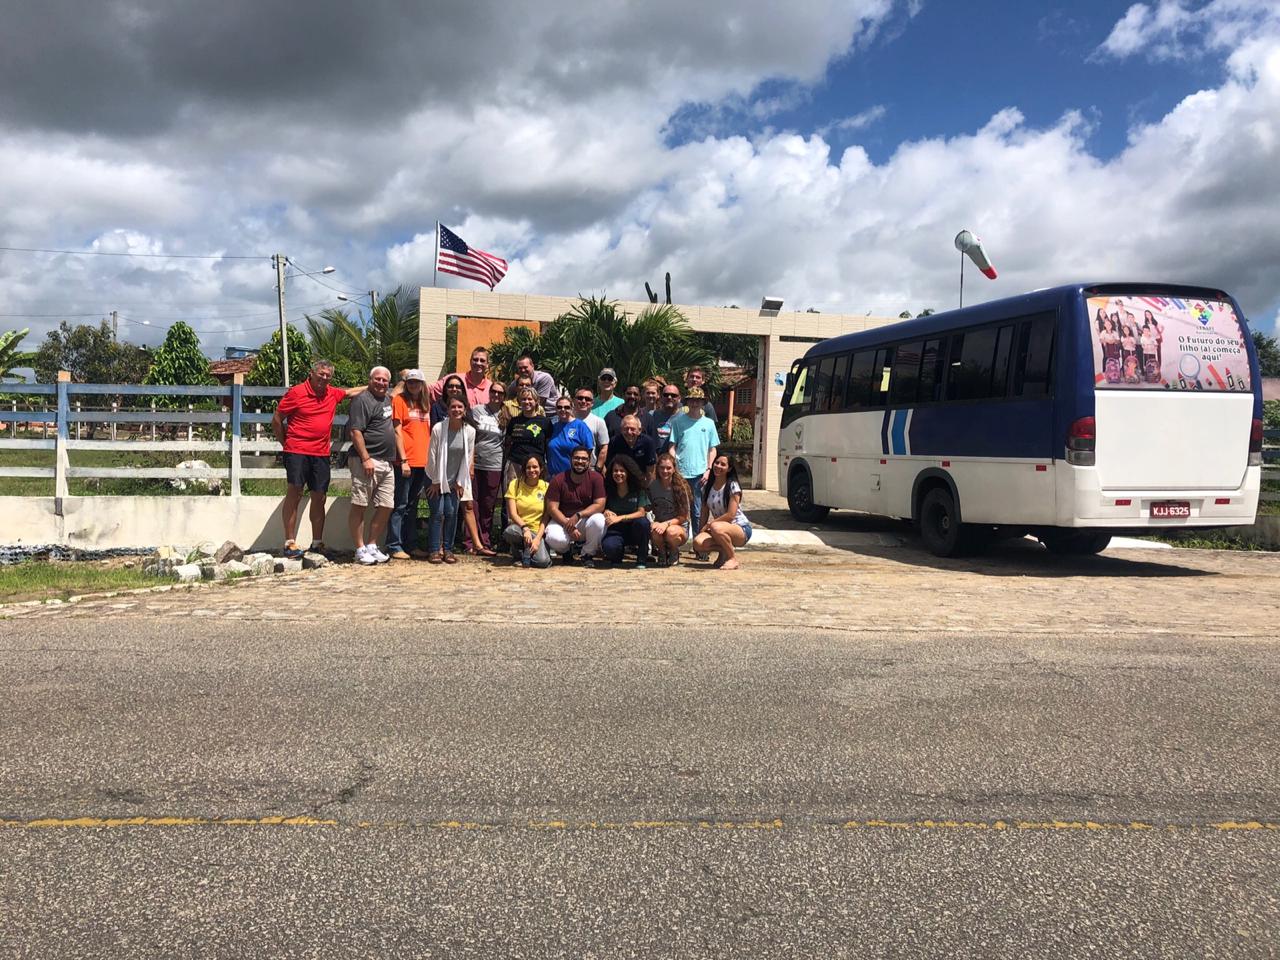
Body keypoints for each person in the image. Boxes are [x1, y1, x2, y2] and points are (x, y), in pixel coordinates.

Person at [271, 359, 366, 558]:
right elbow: (277, 419)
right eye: (321, 374)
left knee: (320, 496)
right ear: (312, 373)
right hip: (297, 450)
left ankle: (317, 543)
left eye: (328, 375)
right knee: (294, 493)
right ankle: (289, 542)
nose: (324, 378)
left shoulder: (331, 392)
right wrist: (286, 445)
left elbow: (349, 392)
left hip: (321, 453)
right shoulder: (296, 392)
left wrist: (374, 385)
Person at [345, 366, 399, 565]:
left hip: (386, 462)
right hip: (366, 460)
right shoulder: (361, 400)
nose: (381, 383)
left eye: (385, 380)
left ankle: (372, 545)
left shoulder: (387, 399)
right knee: (360, 504)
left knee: (386, 505)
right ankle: (359, 548)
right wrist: (366, 458)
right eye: (377, 379)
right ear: (369, 380)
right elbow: (355, 431)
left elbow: (401, 385)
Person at [425, 395, 476, 564]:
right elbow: (432, 456)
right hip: (435, 477)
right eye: (453, 407)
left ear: (465, 409)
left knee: (452, 513)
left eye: (460, 407)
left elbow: (467, 458)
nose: (456, 410)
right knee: (438, 513)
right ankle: (434, 550)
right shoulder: (439, 428)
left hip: (455, 478)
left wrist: (460, 481)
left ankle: (448, 550)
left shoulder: (469, 431)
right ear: (448, 410)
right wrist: (435, 481)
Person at [387, 369, 431, 560]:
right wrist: (403, 460)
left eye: (417, 382)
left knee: (412, 505)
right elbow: (397, 431)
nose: (413, 385)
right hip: (406, 461)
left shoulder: (425, 403)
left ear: (422, 385)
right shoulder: (399, 401)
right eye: (410, 382)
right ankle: (394, 545)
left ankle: (411, 544)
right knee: (400, 504)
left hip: (422, 462)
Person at [669, 387, 719, 543]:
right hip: (681, 473)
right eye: (692, 400)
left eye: (698, 400)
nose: (695, 403)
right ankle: (678, 540)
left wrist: (708, 470)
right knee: (681, 509)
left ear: (703, 403)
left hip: (700, 474)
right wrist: (675, 467)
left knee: (698, 510)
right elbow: (672, 446)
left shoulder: (709, 424)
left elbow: (712, 449)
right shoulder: (678, 421)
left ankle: (698, 543)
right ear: (687, 402)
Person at [543, 446, 607, 565]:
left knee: (599, 520)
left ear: (589, 461)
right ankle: (566, 551)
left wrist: (579, 515)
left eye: (584, 459)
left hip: (584, 520)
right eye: (577, 458)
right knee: (553, 538)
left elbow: (600, 505)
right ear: (570, 459)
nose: (580, 461)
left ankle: (587, 554)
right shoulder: (559, 479)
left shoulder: (596, 478)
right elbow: (552, 508)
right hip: (562, 520)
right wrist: (568, 525)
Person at [465, 381, 506, 555]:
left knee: (488, 505)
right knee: (471, 503)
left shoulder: (506, 415)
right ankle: (470, 542)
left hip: (494, 463)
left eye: (500, 393)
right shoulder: (477, 411)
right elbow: (469, 435)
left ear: (504, 396)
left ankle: (485, 540)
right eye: (494, 392)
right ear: (489, 393)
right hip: (475, 462)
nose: (496, 395)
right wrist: (469, 460)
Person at [692, 453, 751, 570]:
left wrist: (710, 525)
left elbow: (730, 515)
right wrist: (701, 530)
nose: (718, 466)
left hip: (740, 528)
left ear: (729, 468)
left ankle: (732, 558)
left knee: (715, 527)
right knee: (698, 543)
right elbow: (704, 513)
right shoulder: (706, 487)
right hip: (718, 528)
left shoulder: (733, 486)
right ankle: (724, 551)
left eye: (723, 464)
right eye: (716, 463)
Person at [600, 454, 652, 568]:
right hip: (616, 530)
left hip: (634, 527)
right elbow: (601, 507)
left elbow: (641, 512)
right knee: (609, 547)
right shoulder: (608, 488)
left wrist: (620, 517)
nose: (618, 474)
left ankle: (642, 558)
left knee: (643, 523)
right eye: (615, 471)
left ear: (628, 472)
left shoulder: (638, 488)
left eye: (622, 471)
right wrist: (606, 511)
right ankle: (617, 556)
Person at [502, 454, 551, 568]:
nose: (531, 470)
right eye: (528, 467)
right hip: (520, 529)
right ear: (524, 469)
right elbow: (512, 514)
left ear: (541, 468)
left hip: (538, 531)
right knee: (509, 532)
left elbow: (546, 516)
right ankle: (520, 551)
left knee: (542, 562)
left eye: (535, 467)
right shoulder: (515, 484)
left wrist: (538, 538)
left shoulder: (546, 487)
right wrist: (525, 528)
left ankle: (526, 553)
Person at [504, 386, 552, 488]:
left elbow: (548, 445)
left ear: (536, 401)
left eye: (530, 399)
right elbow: (508, 443)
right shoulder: (514, 421)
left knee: (534, 497)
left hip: (536, 466)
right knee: (512, 493)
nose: (527, 402)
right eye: (524, 399)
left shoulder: (545, 422)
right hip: (515, 464)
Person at [648, 451, 691, 567]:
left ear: (674, 469)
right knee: (654, 530)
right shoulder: (652, 486)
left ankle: (673, 551)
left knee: (670, 532)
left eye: (668, 468)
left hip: (679, 527)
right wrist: (654, 522)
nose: (665, 471)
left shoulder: (681, 487)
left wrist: (666, 524)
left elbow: (683, 516)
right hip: (660, 524)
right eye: (662, 468)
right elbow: (649, 507)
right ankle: (662, 552)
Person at [547, 395, 596, 475]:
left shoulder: (580, 426)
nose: (563, 410)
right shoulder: (553, 427)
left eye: (566, 407)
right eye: (559, 407)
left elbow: (588, 450)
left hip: (574, 476)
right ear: (556, 409)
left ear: (572, 408)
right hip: (553, 477)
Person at [606, 414, 657, 483]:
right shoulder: (614, 442)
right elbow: (610, 466)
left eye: (632, 429)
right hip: (621, 480)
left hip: (641, 480)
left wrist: (646, 485)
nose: (629, 432)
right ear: (621, 430)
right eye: (626, 429)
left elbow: (650, 469)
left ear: (639, 430)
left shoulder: (648, 442)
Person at [571, 387, 610, 470]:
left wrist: (598, 468)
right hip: (567, 467)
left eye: (587, 399)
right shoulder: (566, 420)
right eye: (580, 398)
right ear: (574, 400)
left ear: (592, 403)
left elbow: (604, 447)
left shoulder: (599, 421)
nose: (583, 401)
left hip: (589, 468)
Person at [653, 384, 682, 452]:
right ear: (660, 397)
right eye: (666, 395)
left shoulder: (685, 418)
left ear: (679, 399)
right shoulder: (652, 415)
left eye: (673, 395)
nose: (669, 397)